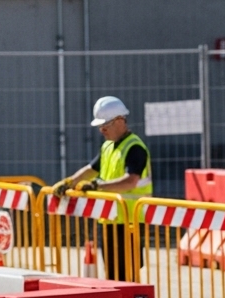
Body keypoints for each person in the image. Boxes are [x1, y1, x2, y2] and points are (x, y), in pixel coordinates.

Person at [51, 96, 152, 280]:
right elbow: (91, 169)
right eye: (100, 126)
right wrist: (69, 182)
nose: (102, 129)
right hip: (109, 219)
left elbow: (131, 181)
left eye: (106, 124)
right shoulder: (108, 146)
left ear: (121, 120)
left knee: (127, 274)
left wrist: (98, 186)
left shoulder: (135, 148)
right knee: (113, 274)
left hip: (129, 223)